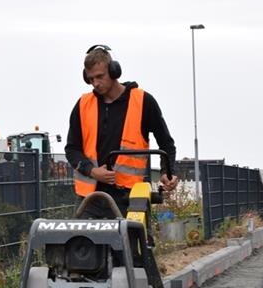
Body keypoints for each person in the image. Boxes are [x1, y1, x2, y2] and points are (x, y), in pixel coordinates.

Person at [66, 44, 179, 219]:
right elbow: (72, 149)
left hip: (130, 198)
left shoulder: (143, 102)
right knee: (81, 245)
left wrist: (167, 172)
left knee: (131, 245)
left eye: (99, 76)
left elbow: (166, 144)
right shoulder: (82, 105)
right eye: (91, 79)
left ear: (113, 71)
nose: (95, 83)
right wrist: (92, 171)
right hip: (90, 198)